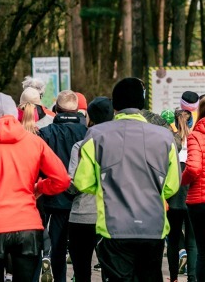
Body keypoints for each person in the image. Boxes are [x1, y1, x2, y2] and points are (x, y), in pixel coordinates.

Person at [74, 77, 179, 281]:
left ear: (115, 105)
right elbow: (172, 185)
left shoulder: (95, 135)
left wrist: (106, 187)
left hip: (114, 227)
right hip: (153, 227)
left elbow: (82, 182)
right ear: (141, 103)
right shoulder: (165, 137)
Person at [0, 93, 70, 282]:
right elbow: (62, 179)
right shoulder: (35, 142)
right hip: (27, 225)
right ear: (16, 114)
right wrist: (39, 187)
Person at [36, 90, 88, 282]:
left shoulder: (46, 133)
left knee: (57, 248)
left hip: (55, 200)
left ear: (56, 109)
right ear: (78, 111)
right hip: (83, 201)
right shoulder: (89, 133)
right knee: (81, 251)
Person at [66, 97, 112, 282]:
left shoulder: (80, 146)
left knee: (82, 270)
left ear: (89, 118)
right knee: (110, 270)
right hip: (111, 218)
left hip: (81, 216)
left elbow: (73, 186)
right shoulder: (119, 147)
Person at [166, 108, 197, 282]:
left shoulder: (171, 144)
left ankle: (172, 278)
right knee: (192, 241)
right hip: (192, 196)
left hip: (173, 197)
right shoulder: (196, 141)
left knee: (173, 239)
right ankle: (192, 277)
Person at [183, 94, 205, 282]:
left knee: (203, 251)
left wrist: (181, 181)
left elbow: (193, 168)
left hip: (200, 202)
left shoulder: (196, 136)